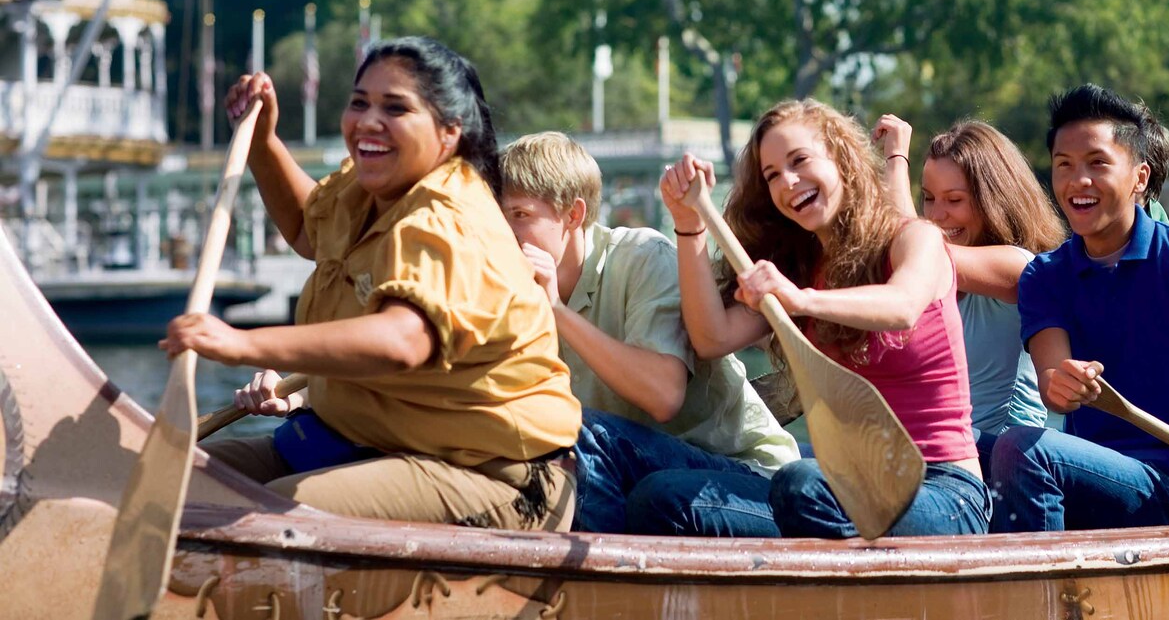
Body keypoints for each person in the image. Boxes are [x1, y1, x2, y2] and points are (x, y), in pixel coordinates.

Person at [171, 37, 579, 530]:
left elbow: (402, 341)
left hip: (493, 477)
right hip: (368, 445)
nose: (367, 121)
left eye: (395, 108)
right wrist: (262, 142)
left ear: (449, 133)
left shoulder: (449, 216)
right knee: (167, 484)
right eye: (359, 102)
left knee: (248, 522)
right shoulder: (367, 187)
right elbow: (306, 228)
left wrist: (241, 343)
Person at [630, 99, 987, 538]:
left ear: (840, 156)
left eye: (800, 161)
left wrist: (801, 301)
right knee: (662, 495)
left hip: (945, 493)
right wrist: (690, 224)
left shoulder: (916, 238)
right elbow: (711, 338)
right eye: (773, 175)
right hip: (841, 489)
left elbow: (903, 306)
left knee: (801, 484)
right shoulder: (797, 268)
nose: (788, 182)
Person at [989, 84, 1169, 531]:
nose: (1077, 181)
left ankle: (1044, 593)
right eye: (1063, 166)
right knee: (961, 447)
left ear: (1140, 178)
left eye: (1097, 164)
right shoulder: (1044, 276)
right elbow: (1052, 381)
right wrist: (1064, 385)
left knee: (1021, 448)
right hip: (1089, 478)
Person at [498, 131, 798, 533]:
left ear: (573, 214)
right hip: (647, 484)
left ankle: (598, 589)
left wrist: (555, 310)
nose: (506, 234)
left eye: (520, 215)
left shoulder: (642, 257)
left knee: (577, 434)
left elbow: (663, 396)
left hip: (747, 485)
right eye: (498, 220)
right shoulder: (508, 289)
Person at [872, 115, 1065, 469]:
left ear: (993, 200)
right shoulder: (930, 280)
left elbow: (906, 241)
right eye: (929, 198)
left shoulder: (1020, 267)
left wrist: (896, 157)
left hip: (999, 464)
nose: (937, 215)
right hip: (936, 450)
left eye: (954, 200)